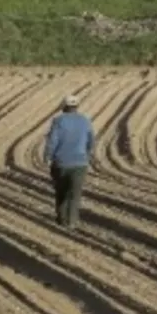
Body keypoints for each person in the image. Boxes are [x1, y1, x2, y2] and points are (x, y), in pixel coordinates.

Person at [44, 94, 95, 228]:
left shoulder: (58, 121)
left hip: (60, 163)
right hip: (80, 163)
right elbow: (91, 141)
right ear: (77, 107)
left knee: (61, 191)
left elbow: (52, 141)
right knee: (75, 193)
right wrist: (87, 155)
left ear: (64, 107)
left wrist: (48, 156)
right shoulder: (85, 121)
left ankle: (61, 219)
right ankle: (72, 221)